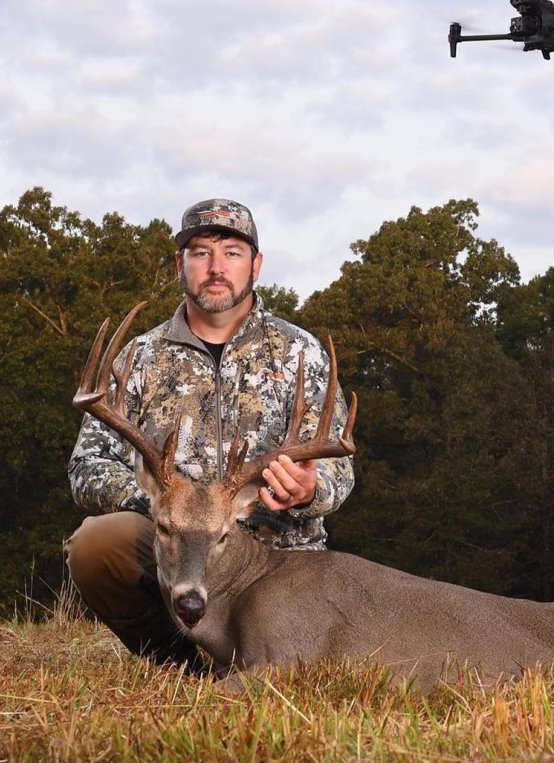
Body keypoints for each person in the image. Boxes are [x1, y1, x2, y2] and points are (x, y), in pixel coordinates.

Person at [64, 198, 355, 670]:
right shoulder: (140, 358)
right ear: (180, 264)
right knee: (96, 545)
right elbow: (86, 466)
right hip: (176, 553)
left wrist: (310, 489)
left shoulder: (301, 354)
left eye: (232, 253)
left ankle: (252, 658)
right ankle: (182, 666)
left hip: (275, 564)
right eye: (201, 252)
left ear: (256, 265)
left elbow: (338, 469)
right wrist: (160, 502)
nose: (216, 267)